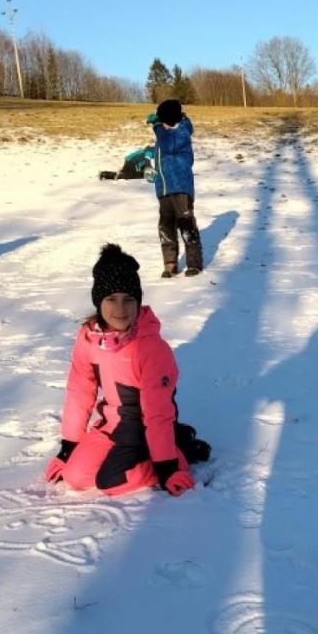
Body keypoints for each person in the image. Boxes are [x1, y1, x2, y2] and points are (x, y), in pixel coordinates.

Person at [44, 243, 209, 496]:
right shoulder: (89, 338)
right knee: (76, 477)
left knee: (111, 481)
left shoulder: (152, 348)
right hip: (112, 426)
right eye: (111, 299)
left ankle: (175, 453)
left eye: (129, 300)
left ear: (138, 301)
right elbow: (80, 392)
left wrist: (167, 467)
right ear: (99, 302)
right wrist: (68, 448)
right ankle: (163, 447)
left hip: (146, 429)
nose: (120, 310)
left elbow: (157, 412)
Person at [147, 99, 202, 278]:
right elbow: (163, 151)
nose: (159, 124)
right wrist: (148, 158)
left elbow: (169, 146)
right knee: (166, 226)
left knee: (186, 225)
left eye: (161, 120)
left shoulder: (181, 132)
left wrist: (156, 127)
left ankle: (194, 263)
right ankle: (170, 262)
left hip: (180, 187)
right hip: (163, 188)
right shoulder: (165, 134)